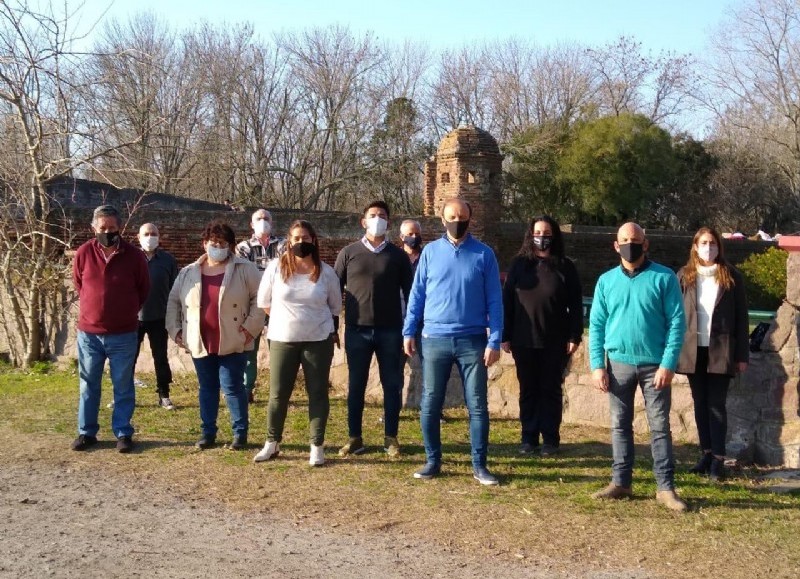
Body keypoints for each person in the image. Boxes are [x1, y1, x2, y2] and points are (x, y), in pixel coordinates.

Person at [402, 197, 503, 486]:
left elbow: (495, 300)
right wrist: (409, 331)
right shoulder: (430, 253)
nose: (457, 221)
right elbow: (416, 296)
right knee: (430, 403)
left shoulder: (484, 254)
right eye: (451, 216)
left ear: (470, 219)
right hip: (434, 339)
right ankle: (433, 460)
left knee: (478, 405)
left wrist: (494, 339)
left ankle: (479, 464)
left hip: (473, 340)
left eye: (462, 217)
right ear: (442, 219)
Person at [589, 222, 688, 512]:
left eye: (635, 239)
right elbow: (596, 325)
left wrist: (668, 364)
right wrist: (598, 365)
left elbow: (677, 323)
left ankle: (665, 488)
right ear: (615, 245)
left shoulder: (664, 278)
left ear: (645, 244)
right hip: (618, 363)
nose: (630, 244)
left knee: (659, 427)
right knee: (620, 425)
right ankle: (621, 482)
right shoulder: (606, 281)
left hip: (654, 366)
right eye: (624, 239)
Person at [166, 220, 264, 450]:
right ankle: (207, 432)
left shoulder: (245, 269)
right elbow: (173, 302)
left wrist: (250, 328)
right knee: (207, 387)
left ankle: (240, 433)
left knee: (232, 387)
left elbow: (260, 301)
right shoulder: (188, 272)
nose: (217, 246)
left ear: (230, 246)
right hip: (200, 339)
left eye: (222, 243)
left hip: (233, 338)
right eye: (213, 242)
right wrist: (176, 330)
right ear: (204, 244)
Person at [253, 220, 342, 466]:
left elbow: (335, 306)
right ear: (288, 242)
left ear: (314, 240)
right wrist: (287, 320)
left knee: (317, 393)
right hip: (283, 339)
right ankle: (272, 443)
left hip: (318, 340)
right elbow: (264, 302)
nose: (301, 243)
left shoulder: (326, 272)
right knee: (278, 394)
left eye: (305, 238)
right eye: (295, 239)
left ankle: (317, 446)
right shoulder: (275, 268)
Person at [334, 200, 413, 458]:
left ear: (388, 223)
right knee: (356, 385)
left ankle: (391, 438)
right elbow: (334, 290)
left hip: (391, 331)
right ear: (363, 221)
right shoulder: (348, 253)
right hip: (357, 330)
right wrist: (335, 326)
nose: (377, 218)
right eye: (372, 215)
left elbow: (411, 294)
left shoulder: (398, 256)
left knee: (392, 385)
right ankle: (354, 437)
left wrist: (410, 329)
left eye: (381, 215)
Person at [501, 215, 583, 456]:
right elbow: (507, 302)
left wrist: (574, 335)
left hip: (555, 340)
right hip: (523, 339)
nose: (542, 238)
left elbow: (576, 305)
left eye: (547, 234)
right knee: (528, 389)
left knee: (550, 390)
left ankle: (550, 439)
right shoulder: (519, 265)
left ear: (554, 236)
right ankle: (528, 438)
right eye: (538, 233)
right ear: (530, 235)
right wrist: (505, 335)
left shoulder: (565, 266)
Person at [71, 205, 150, 454]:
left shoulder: (135, 256)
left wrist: (124, 312)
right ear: (94, 228)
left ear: (120, 228)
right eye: (102, 228)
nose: (107, 232)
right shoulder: (83, 253)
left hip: (124, 334)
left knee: (123, 384)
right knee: (88, 384)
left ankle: (123, 432)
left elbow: (143, 289)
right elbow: (79, 284)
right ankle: (87, 432)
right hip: (89, 334)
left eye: (112, 228)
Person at [676, 227, 749, 482]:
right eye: (704, 243)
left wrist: (742, 356)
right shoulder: (685, 276)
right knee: (700, 403)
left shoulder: (731, 277)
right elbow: (676, 314)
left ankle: (719, 459)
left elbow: (742, 317)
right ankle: (705, 454)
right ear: (695, 246)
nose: (708, 247)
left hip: (721, 349)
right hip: (692, 350)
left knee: (716, 405)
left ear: (719, 246)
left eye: (713, 243)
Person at [236, 208, 286, 403]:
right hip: (252, 304)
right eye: (259, 218)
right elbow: (244, 276)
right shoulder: (243, 247)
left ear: (272, 223)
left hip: (278, 304)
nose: (263, 221)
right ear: (251, 224)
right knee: (249, 349)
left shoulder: (283, 245)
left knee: (280, 349)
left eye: (266, 218)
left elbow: (286, 271)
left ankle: (279, 390)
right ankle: (247, 389)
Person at [135, 223, 179, 410]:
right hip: (132, 319)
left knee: (160, 358)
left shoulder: (168, 260)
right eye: (146, 233)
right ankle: (124, 395)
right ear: (139, 237)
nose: (150, 237)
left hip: (159, 318)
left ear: (159, 237)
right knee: (128, 359)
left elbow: (175, 289)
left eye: (154, 233)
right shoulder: (131, 258)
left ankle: (164, 395)